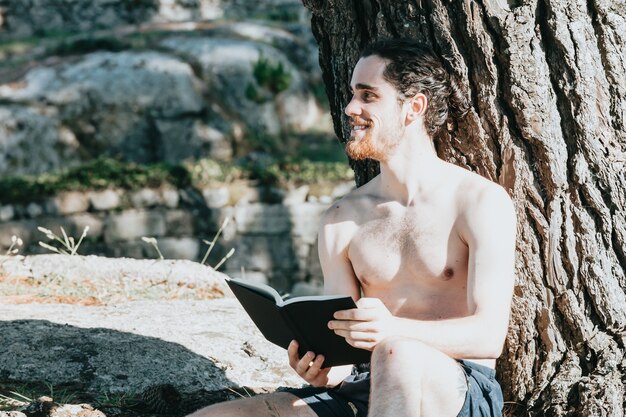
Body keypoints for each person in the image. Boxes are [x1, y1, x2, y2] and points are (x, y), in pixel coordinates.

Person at [187, 38, 517, 417]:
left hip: (455, 386)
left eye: (367, 95)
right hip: (366, 388)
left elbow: (489, 335)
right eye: (351, 94)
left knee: (398, 353)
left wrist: (392, 330)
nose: (350, 108)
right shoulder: (341, 220)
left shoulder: (478, 202)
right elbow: (344, 356)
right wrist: (323, 370)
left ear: (414, 107)